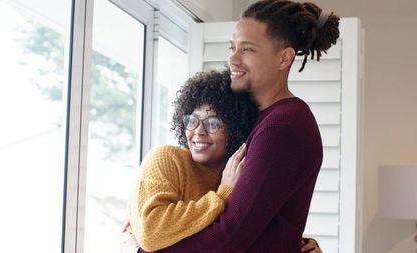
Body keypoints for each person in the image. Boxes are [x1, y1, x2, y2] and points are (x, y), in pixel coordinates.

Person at [134, 0, 340, 252]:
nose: (232, 59)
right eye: (232, 48)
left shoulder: (282, 125)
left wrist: (142, 250)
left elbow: (229, 237)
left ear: (284, 58)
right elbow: (262, 219)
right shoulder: (258, 121)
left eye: (248, 49)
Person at [123, 69, 322, 253]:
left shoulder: (238, 173)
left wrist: (298, 245)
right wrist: (221, 196)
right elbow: (151, 232)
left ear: (234, 128)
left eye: (213, 123)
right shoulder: (167, 159)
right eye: (192, 120)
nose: (198, 131)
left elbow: (227, 236)